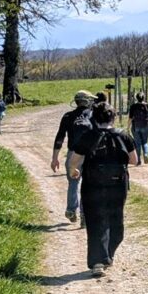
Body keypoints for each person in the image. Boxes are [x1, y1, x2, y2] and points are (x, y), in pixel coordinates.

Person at [67, 103, 137, 277]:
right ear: (113, 117)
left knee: (96, 221)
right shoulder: (123, 136)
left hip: (92, 184)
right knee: (115, 220)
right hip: (117, 185)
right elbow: (134, 160)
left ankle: (99, 261)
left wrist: (73, 170)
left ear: (94, 118)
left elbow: (74, 160)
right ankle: (108, 254)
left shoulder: (88, 136)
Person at [51, 91, 96, 224]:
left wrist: (55, 158)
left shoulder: (68, 116)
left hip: (73, 153)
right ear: (87, 101)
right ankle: (84, 215)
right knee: (88, 185)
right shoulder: (93, 115)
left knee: (73, 183)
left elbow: (60, 137)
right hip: (90, 153)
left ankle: (71, 210)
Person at [127, 93, 148, 164]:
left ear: (136, 98)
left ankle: (138, 160)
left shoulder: (133, 106)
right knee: (145, 142)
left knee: (137, 143)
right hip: (145, 126)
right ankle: (146, 154)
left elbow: (130, 118)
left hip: (135, 127)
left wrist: (128, 128)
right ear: (144, 98)